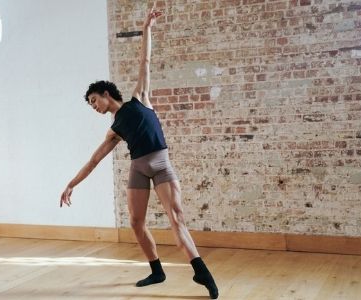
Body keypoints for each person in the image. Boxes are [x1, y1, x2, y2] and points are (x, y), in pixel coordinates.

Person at [59, 7, 219, 299]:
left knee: (176, 218)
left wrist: (148, 27)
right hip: (139, 168)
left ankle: (200, 270)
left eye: (94, 101)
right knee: (135, 221)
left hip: (160, 164)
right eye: (91, 104)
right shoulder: (114, 130)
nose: (94, 107)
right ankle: (156, 270)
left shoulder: (140, 98)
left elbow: (145, 60)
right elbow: (94, 161)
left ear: (107, 94)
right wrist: (72, 183)